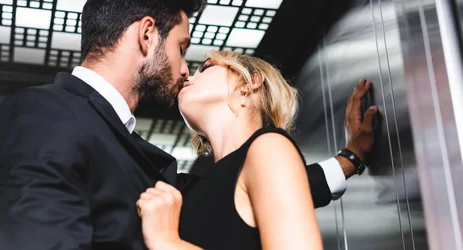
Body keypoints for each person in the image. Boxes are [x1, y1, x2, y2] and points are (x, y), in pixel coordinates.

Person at [0, 0, 377, 249]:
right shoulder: (42, 113)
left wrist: (349, 159)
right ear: (148, 35)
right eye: (183, 49)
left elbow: (272, 192)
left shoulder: (165, 171)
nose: (184, 69)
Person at [136, 51, 372, 250]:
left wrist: (167, 242)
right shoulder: (190, 190)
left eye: (206, 67)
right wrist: (350, 158)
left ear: (249, 83)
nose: (188, 73)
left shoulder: (269, 146)